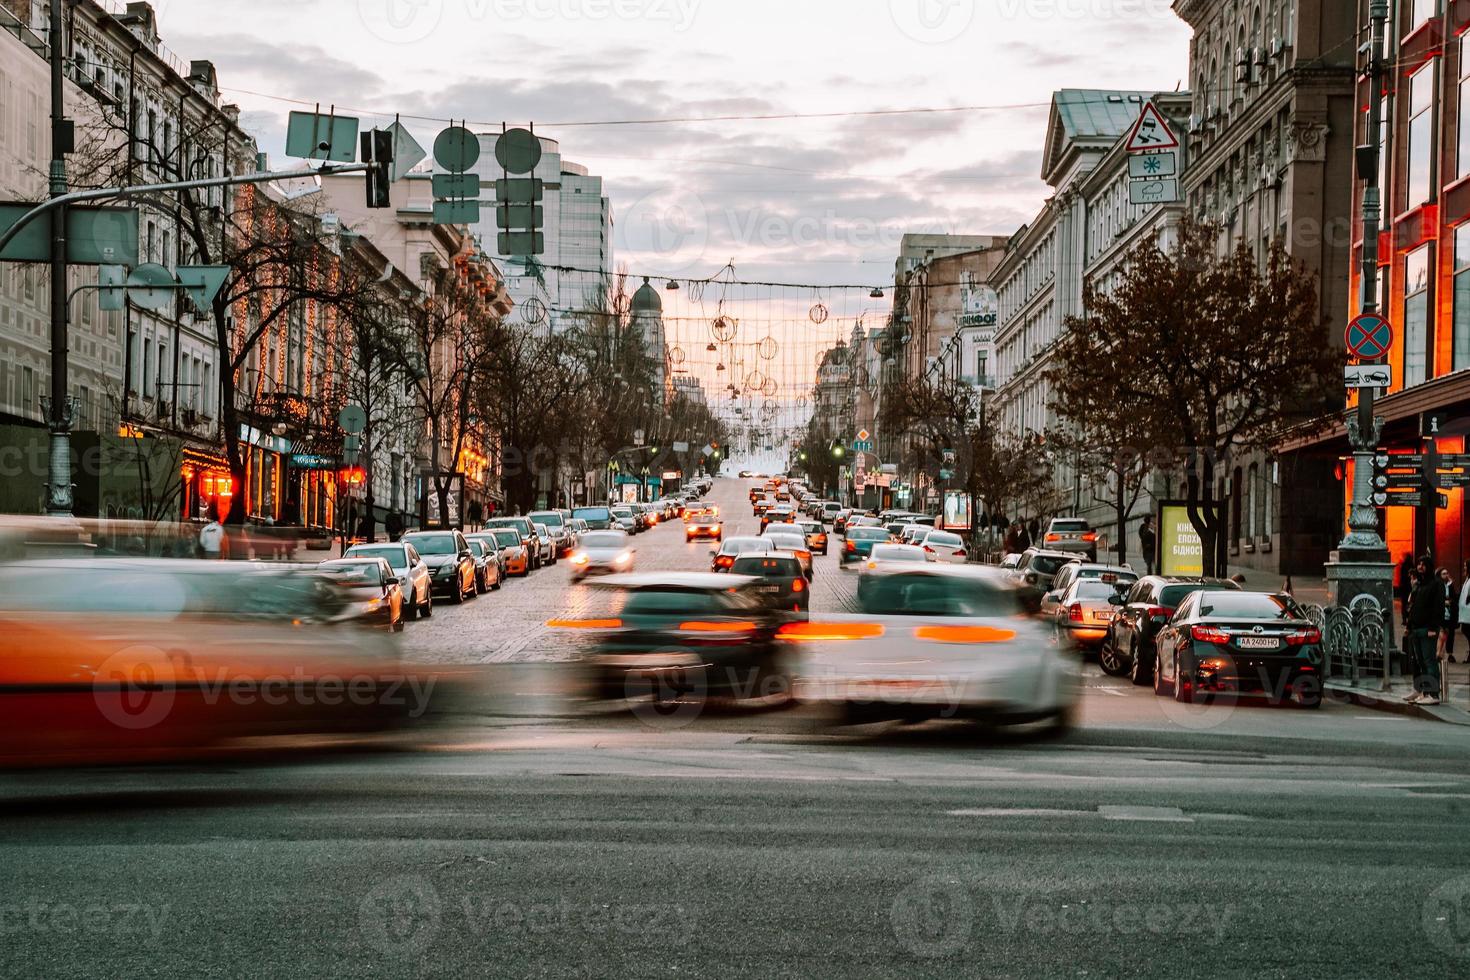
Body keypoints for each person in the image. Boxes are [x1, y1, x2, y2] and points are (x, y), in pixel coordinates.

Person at [1404, 568, 1443, 706]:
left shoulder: (1435, 585)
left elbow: (1437, 607)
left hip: (1427, 628)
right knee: (1419, 661)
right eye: (1419, 564)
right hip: (1417, 628)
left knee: (1428, 661)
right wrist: (1409, 626)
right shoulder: (1419, 586)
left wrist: (1433, 627)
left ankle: (1432, 693)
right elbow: (1413, 607)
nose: (1420, 568)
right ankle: (1424, 691)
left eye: (1423, 565)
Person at [1439, 567, 1458, 664]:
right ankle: (1439, 653)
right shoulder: (1439, 586)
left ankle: (1449, 653)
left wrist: (1450, 601)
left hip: (1450, 614)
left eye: (1447, 573)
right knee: (1442, 634)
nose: (1446, 575)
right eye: (1443, 573)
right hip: (1442, 614)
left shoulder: (1450, 585)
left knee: (1450, 634)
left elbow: (1454, 598)